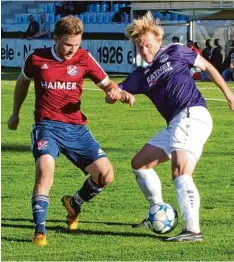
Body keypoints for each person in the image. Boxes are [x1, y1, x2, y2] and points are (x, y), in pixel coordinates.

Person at [106, 11, 234, 242]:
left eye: (147, 45)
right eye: (139, 47)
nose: (144, 51)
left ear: (158, 40)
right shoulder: (140, 76)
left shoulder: (176, 51)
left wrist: (229, 95)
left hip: (191, 114)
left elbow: (208, 68)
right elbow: (114, 92)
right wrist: (114, 93)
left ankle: (193, 230)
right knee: (140, 164)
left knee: (180, 171)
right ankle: (157, 210)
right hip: (176, 122)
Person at [7, 16, 134, 247]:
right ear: (55, 38)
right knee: (45, 171)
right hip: (47, 127)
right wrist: (15, 113)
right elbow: (22, 82)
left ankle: (73, 203)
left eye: (77, 44)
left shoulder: (84, 58)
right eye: (68, 44)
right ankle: (40, 231)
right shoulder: (36, 58)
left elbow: (108, 85)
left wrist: (117, 94)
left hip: (76, 128)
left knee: (106, 175)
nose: (72, 50)